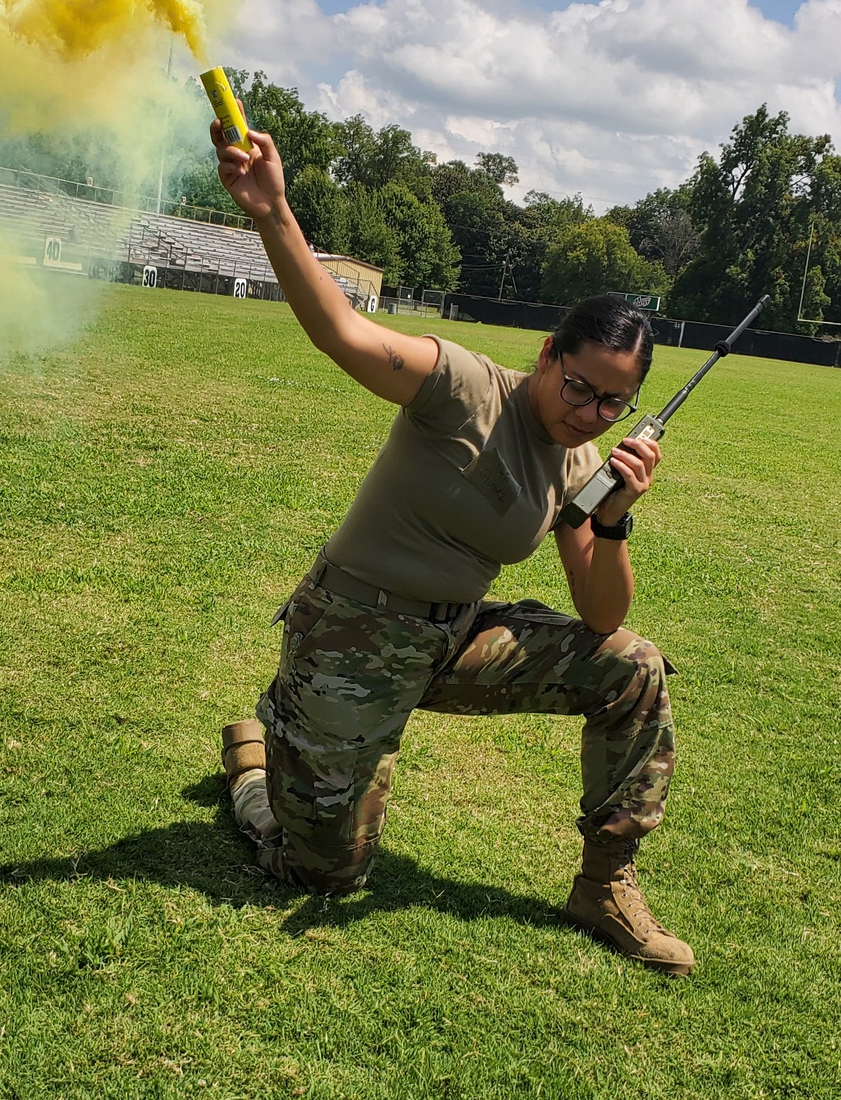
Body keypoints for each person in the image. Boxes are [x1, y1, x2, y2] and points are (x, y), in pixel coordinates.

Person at [210, 111, 693, 978]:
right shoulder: (463, 386)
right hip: (353, 631)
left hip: (453, 637)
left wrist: (614, 514)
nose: (587, 411)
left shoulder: (583, 462)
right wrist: (273, 213)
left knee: (634, 664)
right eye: (579, 384)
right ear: (547, 354)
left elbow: (600, 609)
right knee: (322, 871)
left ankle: (605, 884)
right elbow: (344, 334)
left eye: (611, 402)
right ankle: (258, 764)